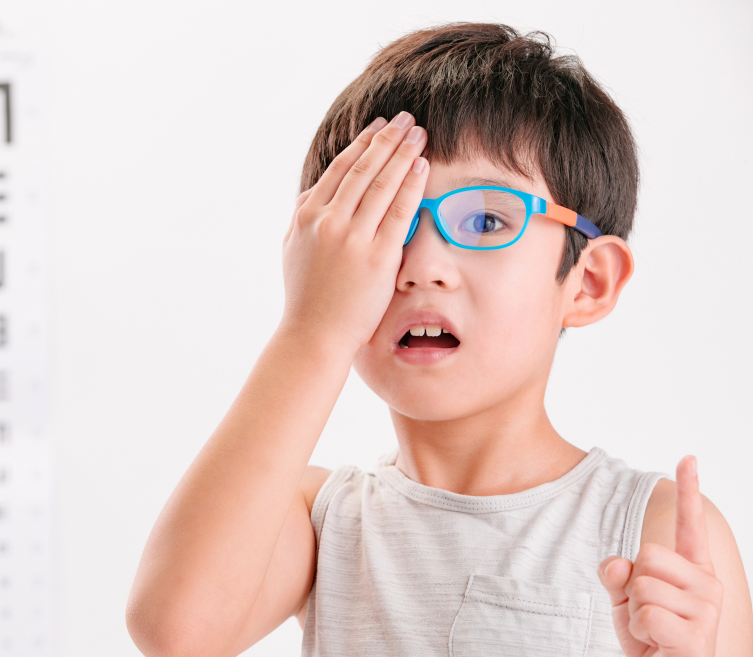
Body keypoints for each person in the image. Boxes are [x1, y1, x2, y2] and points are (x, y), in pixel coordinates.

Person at [126, 23, 753, 656]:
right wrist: (313, 327)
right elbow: (178, 632)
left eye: (485, 219)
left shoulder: (656, 533)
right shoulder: (318, 519)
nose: (421, 266)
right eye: (381, 221)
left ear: (588, 281)